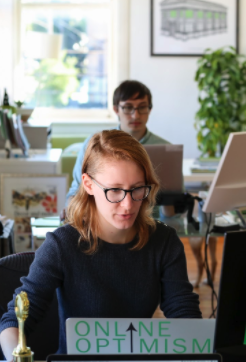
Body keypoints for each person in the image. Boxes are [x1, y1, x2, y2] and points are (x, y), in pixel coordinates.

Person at [0, 130, 201, 359]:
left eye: (137, 189)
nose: (128, 205)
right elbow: (15, 320)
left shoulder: (164, 242)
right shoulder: (61, 245)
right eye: (115, 190)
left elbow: (183, 313)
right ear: (88, 184)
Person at [66, 80, 170, 205]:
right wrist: (71, 210)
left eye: (142, 107)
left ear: (150, 109)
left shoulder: (167, 149)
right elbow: (76, 191)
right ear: (116, 109)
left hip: (153, 219)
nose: (135, 115)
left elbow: (175, 204)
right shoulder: (95, 144)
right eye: (128, 107)